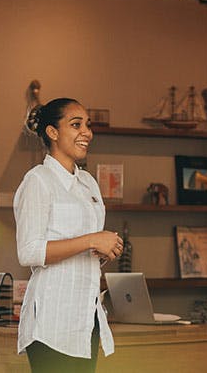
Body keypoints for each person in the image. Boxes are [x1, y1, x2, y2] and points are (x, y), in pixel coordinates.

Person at [14, 98, 123, 372]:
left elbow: (84, 250)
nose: (87, 132)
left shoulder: (88, 183)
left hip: (87, 318)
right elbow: (29, 251)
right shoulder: (37, 181)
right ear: (52, 132)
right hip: (52, 321)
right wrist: (91, 240)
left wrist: (104, 250)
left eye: (88, 125)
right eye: (76, 125)